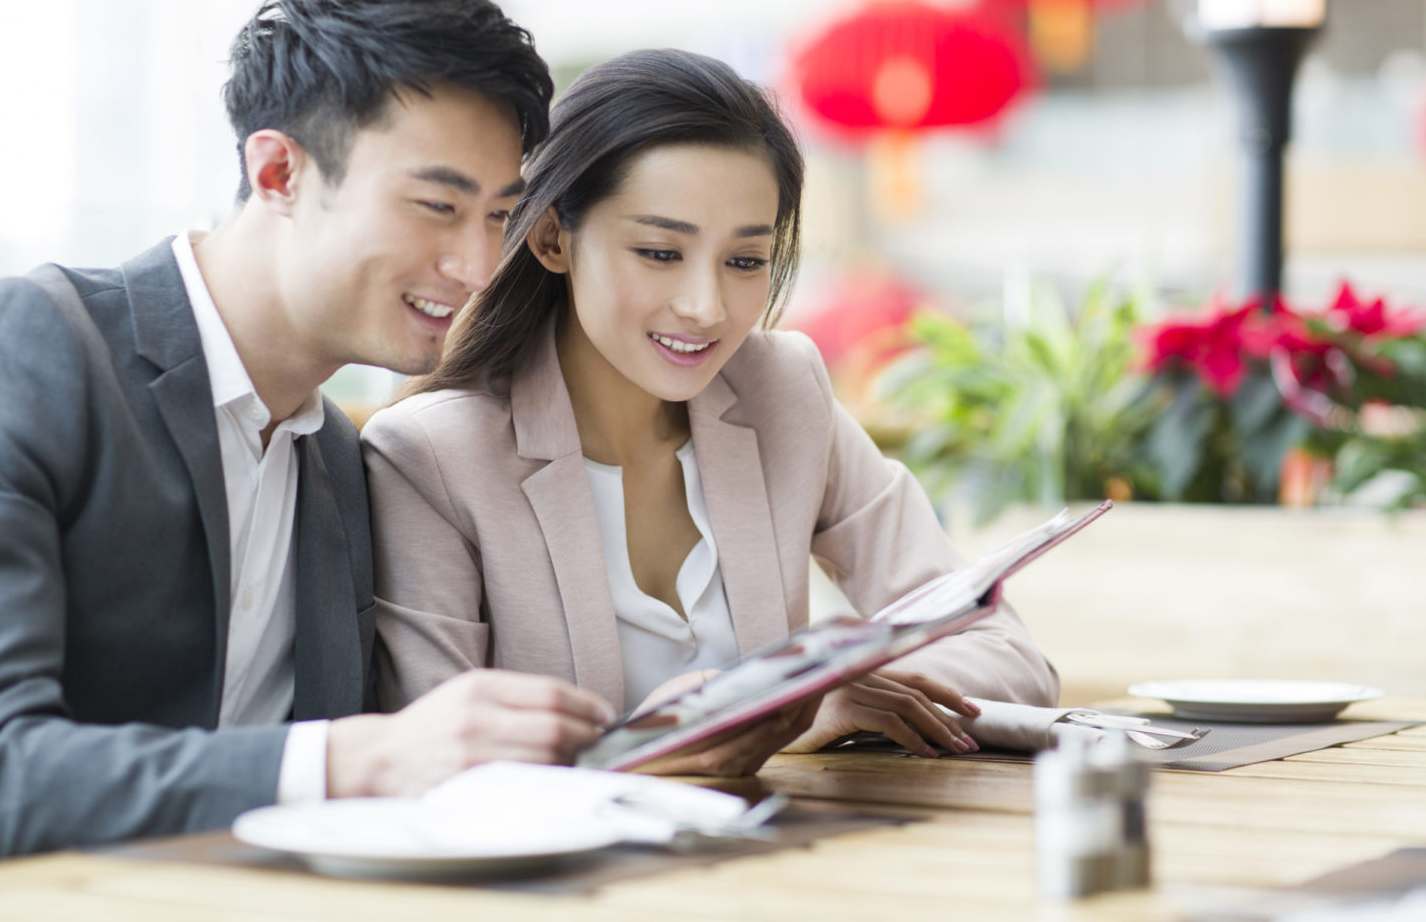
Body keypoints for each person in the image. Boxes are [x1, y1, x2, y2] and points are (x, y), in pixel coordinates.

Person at [0, 0, 614, 871]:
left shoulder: (345, 459)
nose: (476, 267)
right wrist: (361, 757)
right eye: (437, 206)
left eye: (498, 217)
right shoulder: (13, 353)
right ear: (278, 172)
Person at [362, 49, 1060, 777]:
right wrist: (743, 719)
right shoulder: (432, 456)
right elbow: (433, 764)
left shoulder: (781, 391)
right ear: (552, 239)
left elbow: (1009, 657)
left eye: (746, 261)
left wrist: (822, 697)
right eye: (661, 253)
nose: (707, 307)